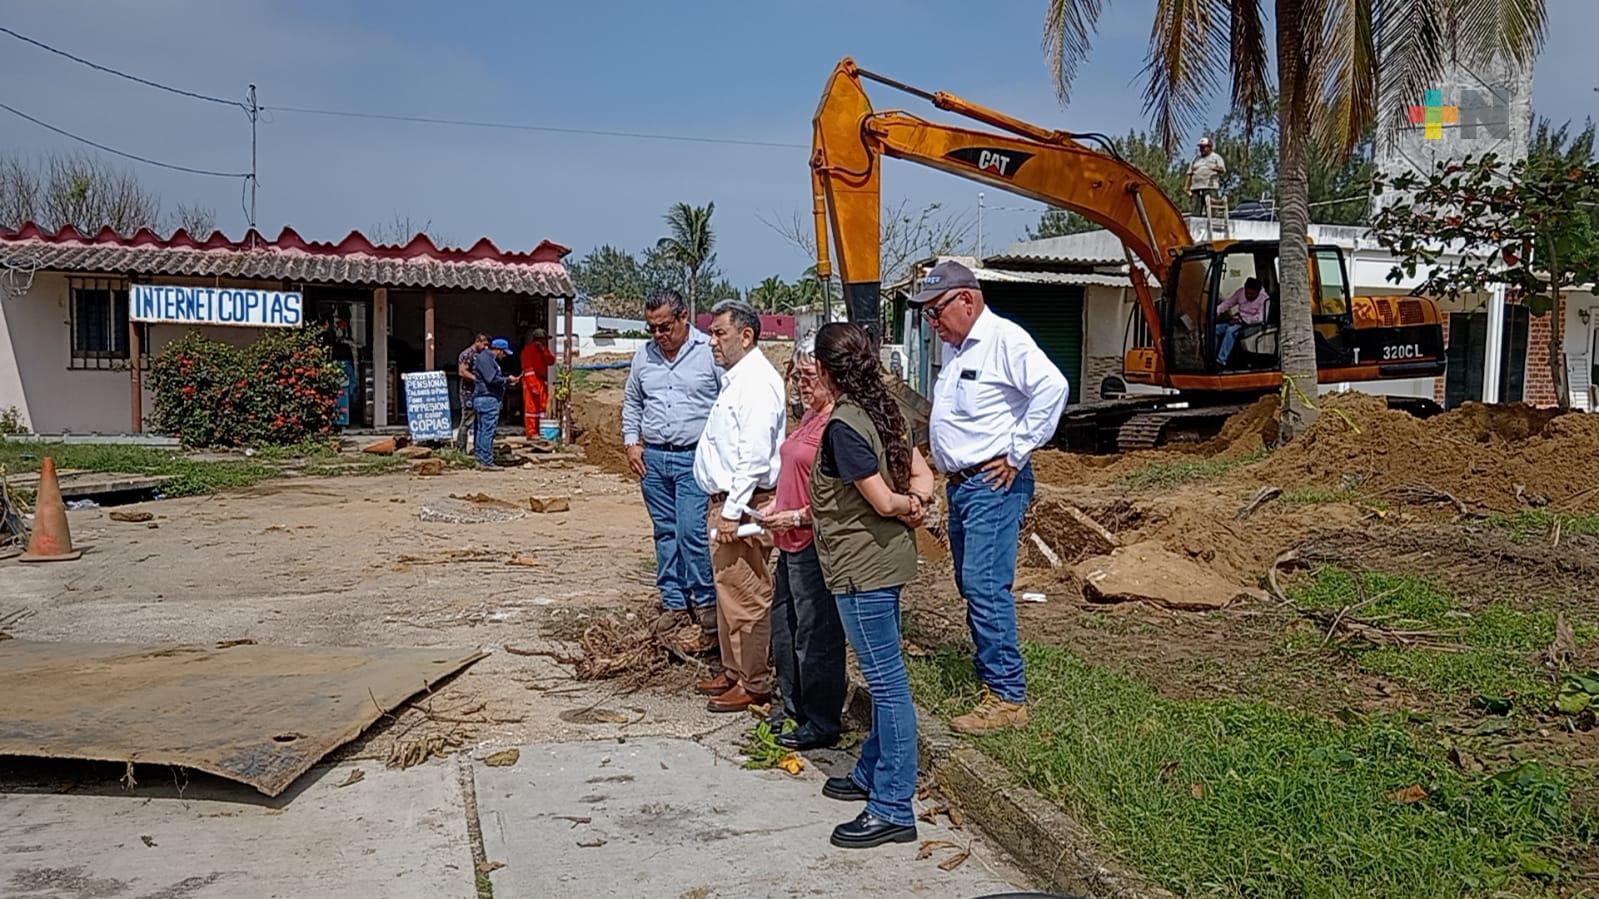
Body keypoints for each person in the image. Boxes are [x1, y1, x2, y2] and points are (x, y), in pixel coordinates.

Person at [911, 260, 1068, 735]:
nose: (933, 323)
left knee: (984, 584)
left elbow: (1053, 389)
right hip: (964, 485)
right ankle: (991, 673)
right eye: (928, 316)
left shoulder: (1005, 341)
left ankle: (1007, 697)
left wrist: (1018, 452)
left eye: (937, 312)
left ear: (967, 300)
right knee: (970, 581)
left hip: (993, 484)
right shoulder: (958, 351)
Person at [808, 321, 935, 850]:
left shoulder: (845, 426)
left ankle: (892, 806)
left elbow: (884, 501)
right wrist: (919, 505)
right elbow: (922, 478)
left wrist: (905, 508)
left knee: (888, 686)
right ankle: (871, 771)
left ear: (822, 369)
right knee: (887, 678)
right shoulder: (889, 412)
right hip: (887, 565)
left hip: (863, 574)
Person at [692, 299, 786, 714]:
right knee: (729, 593)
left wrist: (732, 511)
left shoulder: (758, 383)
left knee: (746, 595)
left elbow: (753, 453)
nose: (712, 341)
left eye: (719, 333)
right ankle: (734, 671)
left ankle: (754, 682)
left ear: (746, 336)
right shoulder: (737, 378)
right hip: (728, 504)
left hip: (742, 507)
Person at [757, 333, 847, 752]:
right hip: (789, 538)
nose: (801, 385)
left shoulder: (838, 423)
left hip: (814, 540)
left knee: (817, 634)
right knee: (787, 627)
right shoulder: (811, 416)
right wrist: (779, 503)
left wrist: (796, 514)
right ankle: (793, 706)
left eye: (810, 377)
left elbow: (839, 497)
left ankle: (821, 719)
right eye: (797, 377)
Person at [622, 290, 722, 650]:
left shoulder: (708, 352)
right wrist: (632, 441)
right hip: (654, 458)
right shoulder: (643, 357)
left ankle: (707, 605)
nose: (659, 335)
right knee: (664, 531)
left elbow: (726, 403)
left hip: (693, 458)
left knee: (691, 531)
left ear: (683, 318)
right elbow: (633, 401)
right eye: (652, 328)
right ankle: (675, 602)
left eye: (665, 326)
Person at [470, 338, 519, 469]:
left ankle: (480, 458)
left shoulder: (484, 359)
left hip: (482, 398)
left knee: (481, 430)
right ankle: (486, 461)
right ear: (498, 350)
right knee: (487, 431)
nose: (504, 356)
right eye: (504, 353)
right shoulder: (487, 360)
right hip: (488, 398)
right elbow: (491, 379)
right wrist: (507, 380)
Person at [1214, 277, 1271, 367]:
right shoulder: (1240, 292)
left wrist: (1241, 320)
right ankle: (1212, 355)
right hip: (1237, 320)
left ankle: (1221, 360)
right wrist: (1215, 312)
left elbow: (1260, 318)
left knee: (1230, 331)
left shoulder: (1264, 299)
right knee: (1214, 329)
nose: (1250, 295)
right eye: (1247, 293)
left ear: (1258, 291)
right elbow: (1228, 303)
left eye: (1253, 294)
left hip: (1251, 325)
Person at [519, 328, 556, 437]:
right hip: (531, 381)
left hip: (541, 381)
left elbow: (551, 361)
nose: (546, 342)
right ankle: (531, 432)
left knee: (542, 407)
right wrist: (532, 385)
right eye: (544, 340)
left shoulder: (544, 350)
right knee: (531, 408)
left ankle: (541, 431)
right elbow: (527, 369)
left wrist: (544, 350)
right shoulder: (528, 351)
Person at [456, 332, 490, 452]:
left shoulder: (480, 355)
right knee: (466, 421)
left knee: (478, 422)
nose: (486, 348)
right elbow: (462, 372)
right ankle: (460, 450)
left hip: (479, 393)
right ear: (477, 342)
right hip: (468, 393)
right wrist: (477, 379)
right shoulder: (467, 354)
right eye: (484, 344)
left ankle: (477, 449)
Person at [1184, 136, 1227, 215]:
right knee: (1195, 212)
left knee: (1212, 211)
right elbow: (1190, 172)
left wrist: (1216, 169)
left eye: (1204, 147)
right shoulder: (1195, 159)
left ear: (1209, 147)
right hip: (1196, 188)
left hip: (1210, 187)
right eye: (1200, 147)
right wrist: (1186, 186)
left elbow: (1223, 170)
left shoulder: (1216, 157)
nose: (1202, 149)